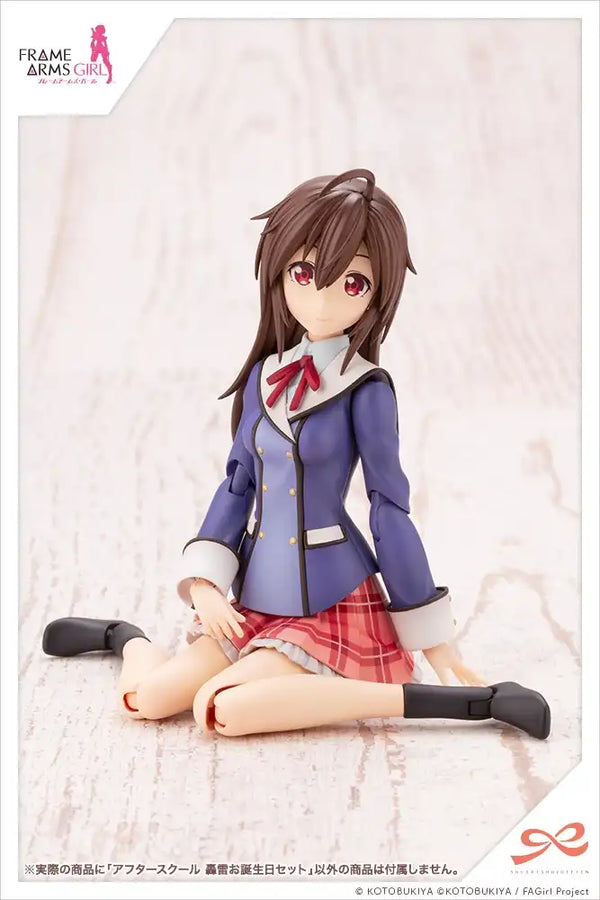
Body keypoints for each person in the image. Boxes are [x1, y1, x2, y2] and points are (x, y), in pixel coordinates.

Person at [43, 169, 550, 740]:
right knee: (146, 699)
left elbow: (389, 508)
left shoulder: (366, 389)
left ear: (377, 293)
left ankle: (468, 704)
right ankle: (123, 637)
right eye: (304, 274)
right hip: (257, 594)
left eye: (353, 282)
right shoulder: (265, 377)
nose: (323, 300)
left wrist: (428, 633)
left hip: (328, 597)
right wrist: (206, 584)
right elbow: (237, 485)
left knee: (221, 708)